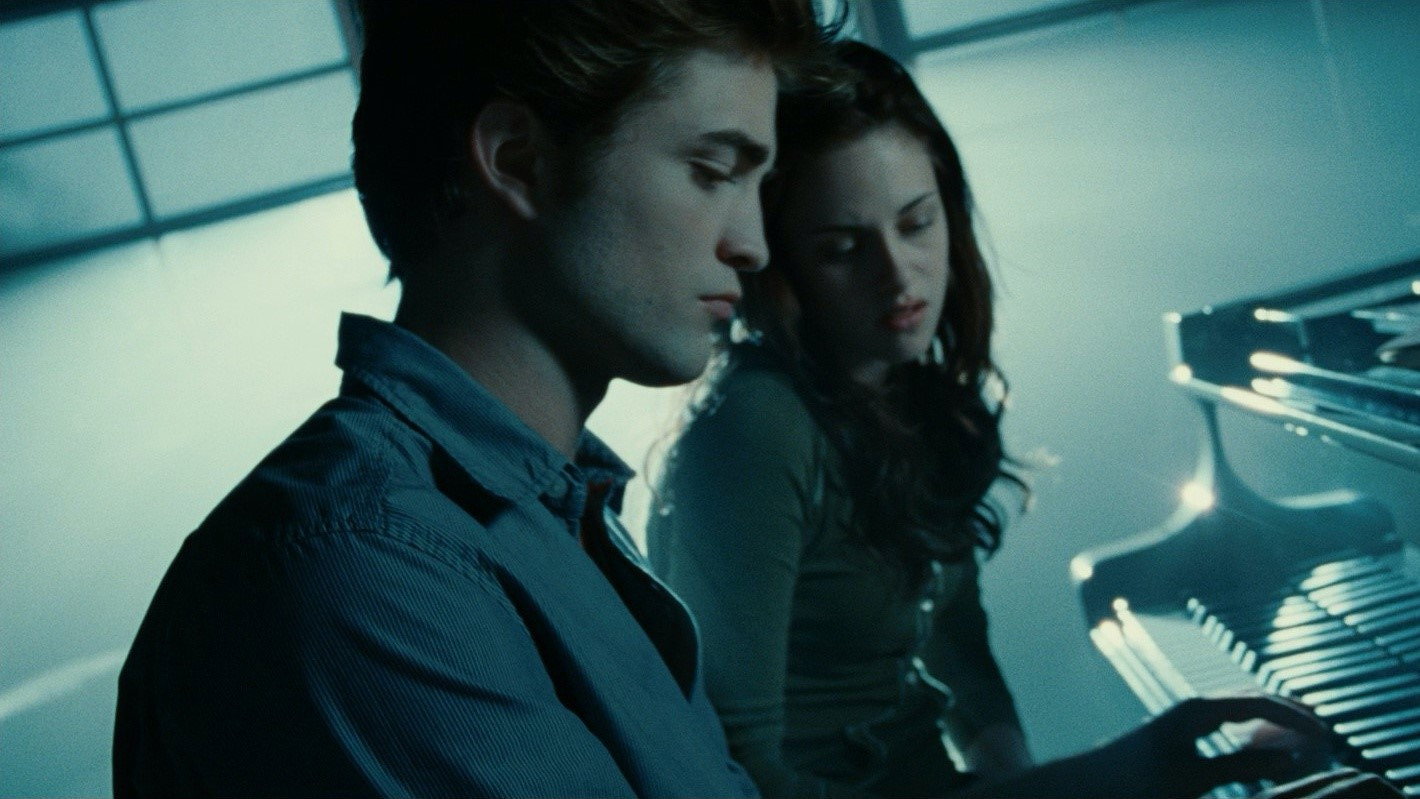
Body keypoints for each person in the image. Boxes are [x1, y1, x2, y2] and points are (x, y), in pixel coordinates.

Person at [112, 2, 829, 796]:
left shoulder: (546, 517)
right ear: (517, 160)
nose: (752, 244)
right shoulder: (365, 564)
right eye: (713, 171)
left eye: (757, 185)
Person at [646, 40, 1390, 799]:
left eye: (917, 223)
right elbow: (734, 775)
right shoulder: (757, 427)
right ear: (781, 262)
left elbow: (956, 639)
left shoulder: (910, 397)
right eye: (842, 248)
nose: (898, 275)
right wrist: (1118, 776)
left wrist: (1028, 774)